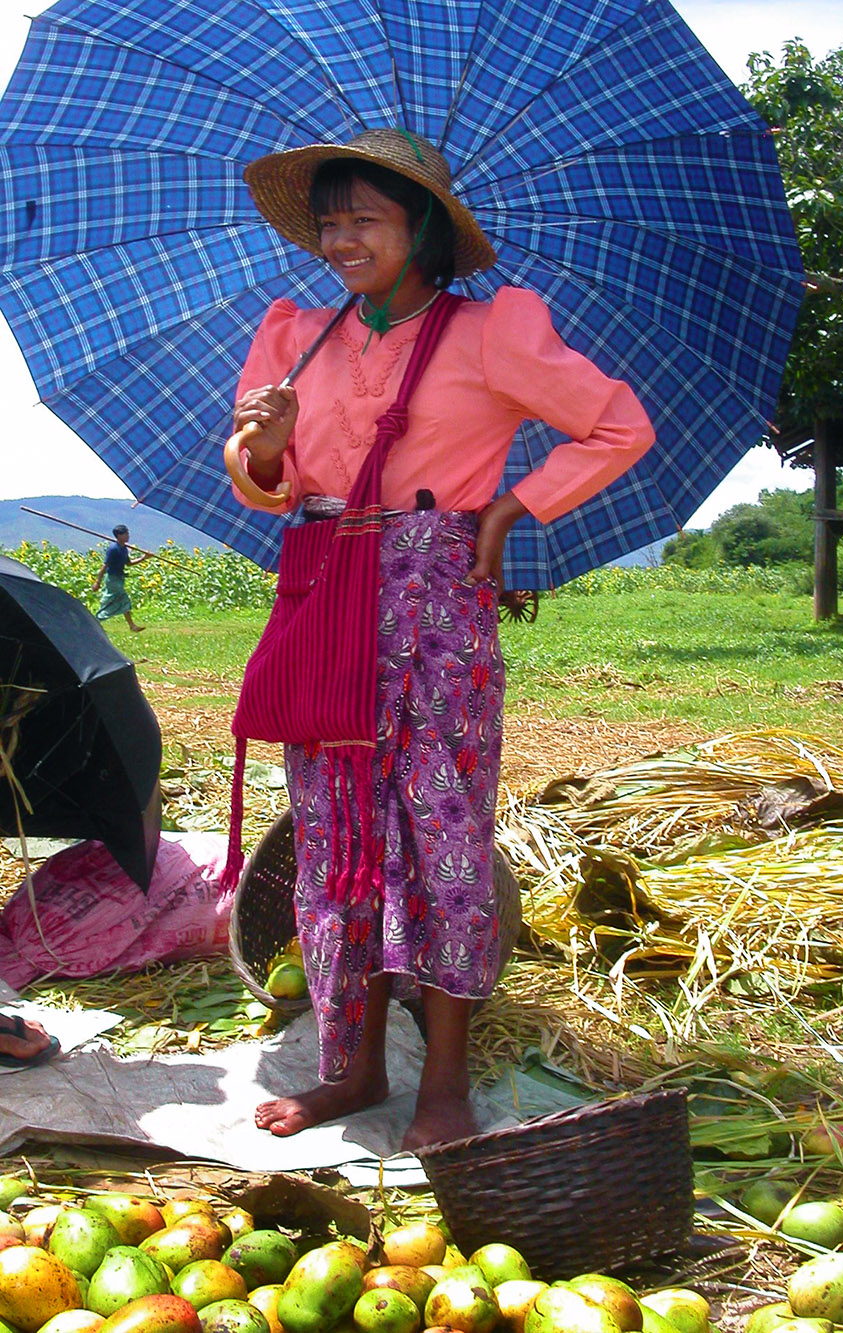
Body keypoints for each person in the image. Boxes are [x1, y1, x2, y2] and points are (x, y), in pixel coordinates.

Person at [229, 127, 655, 1150]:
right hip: (326, 592)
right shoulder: (296, 336)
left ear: (420, 227)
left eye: (362, 219)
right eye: (328, 221)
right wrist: (266, 447)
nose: (339, 239)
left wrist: (512, 511)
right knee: (337, 838)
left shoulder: (490, 333)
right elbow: (255, 479)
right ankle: (355, 1067)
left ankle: (443, 1085)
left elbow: (617, 425)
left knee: (442, 836)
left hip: (436, 603)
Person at [91, 525, 148, 632]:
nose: (128, 536)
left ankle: (131, 626)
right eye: (125, 534)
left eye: (128, 533)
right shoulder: (113, 549)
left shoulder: (124, 549)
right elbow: (105, 566)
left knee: (117, 601)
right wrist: (97, 582)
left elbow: (129, 563)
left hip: (119, 578)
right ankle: (96, 620)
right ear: (119, 536)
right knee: (121, 599)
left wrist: (143, 558)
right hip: (112, 579)